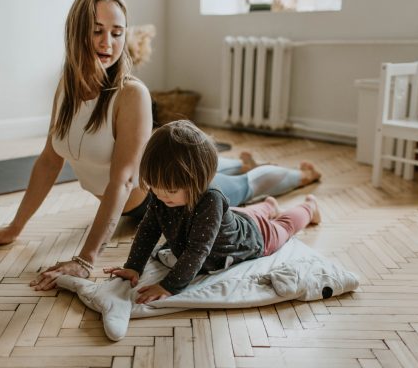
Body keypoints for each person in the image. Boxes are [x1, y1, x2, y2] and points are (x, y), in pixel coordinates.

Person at [0, 0, 320, 291]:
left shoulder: (130, 94)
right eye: (97, 30)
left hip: (173, 196)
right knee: (228, 175)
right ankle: (238, 166)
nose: (108, 42)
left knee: (243, 186)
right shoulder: (66, 89)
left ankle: (300, 177)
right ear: (76, 32)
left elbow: (122, 181)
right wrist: (15, 227)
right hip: (154, 191)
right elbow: (48, 161)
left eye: (117, 32)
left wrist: (86, 259)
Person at [104, 120, 320, 303]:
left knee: (284, 226)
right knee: (244, 214)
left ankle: (309, 207)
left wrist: (169, 286)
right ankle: (269, 205)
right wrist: (133, 266)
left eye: (169, 190)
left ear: (198, 181)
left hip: (254, 236)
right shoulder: (162, 195)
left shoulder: (211, 200)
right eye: (155, 188)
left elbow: (198, 250)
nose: (161, 196)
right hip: (233, 218)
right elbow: (148, 229)